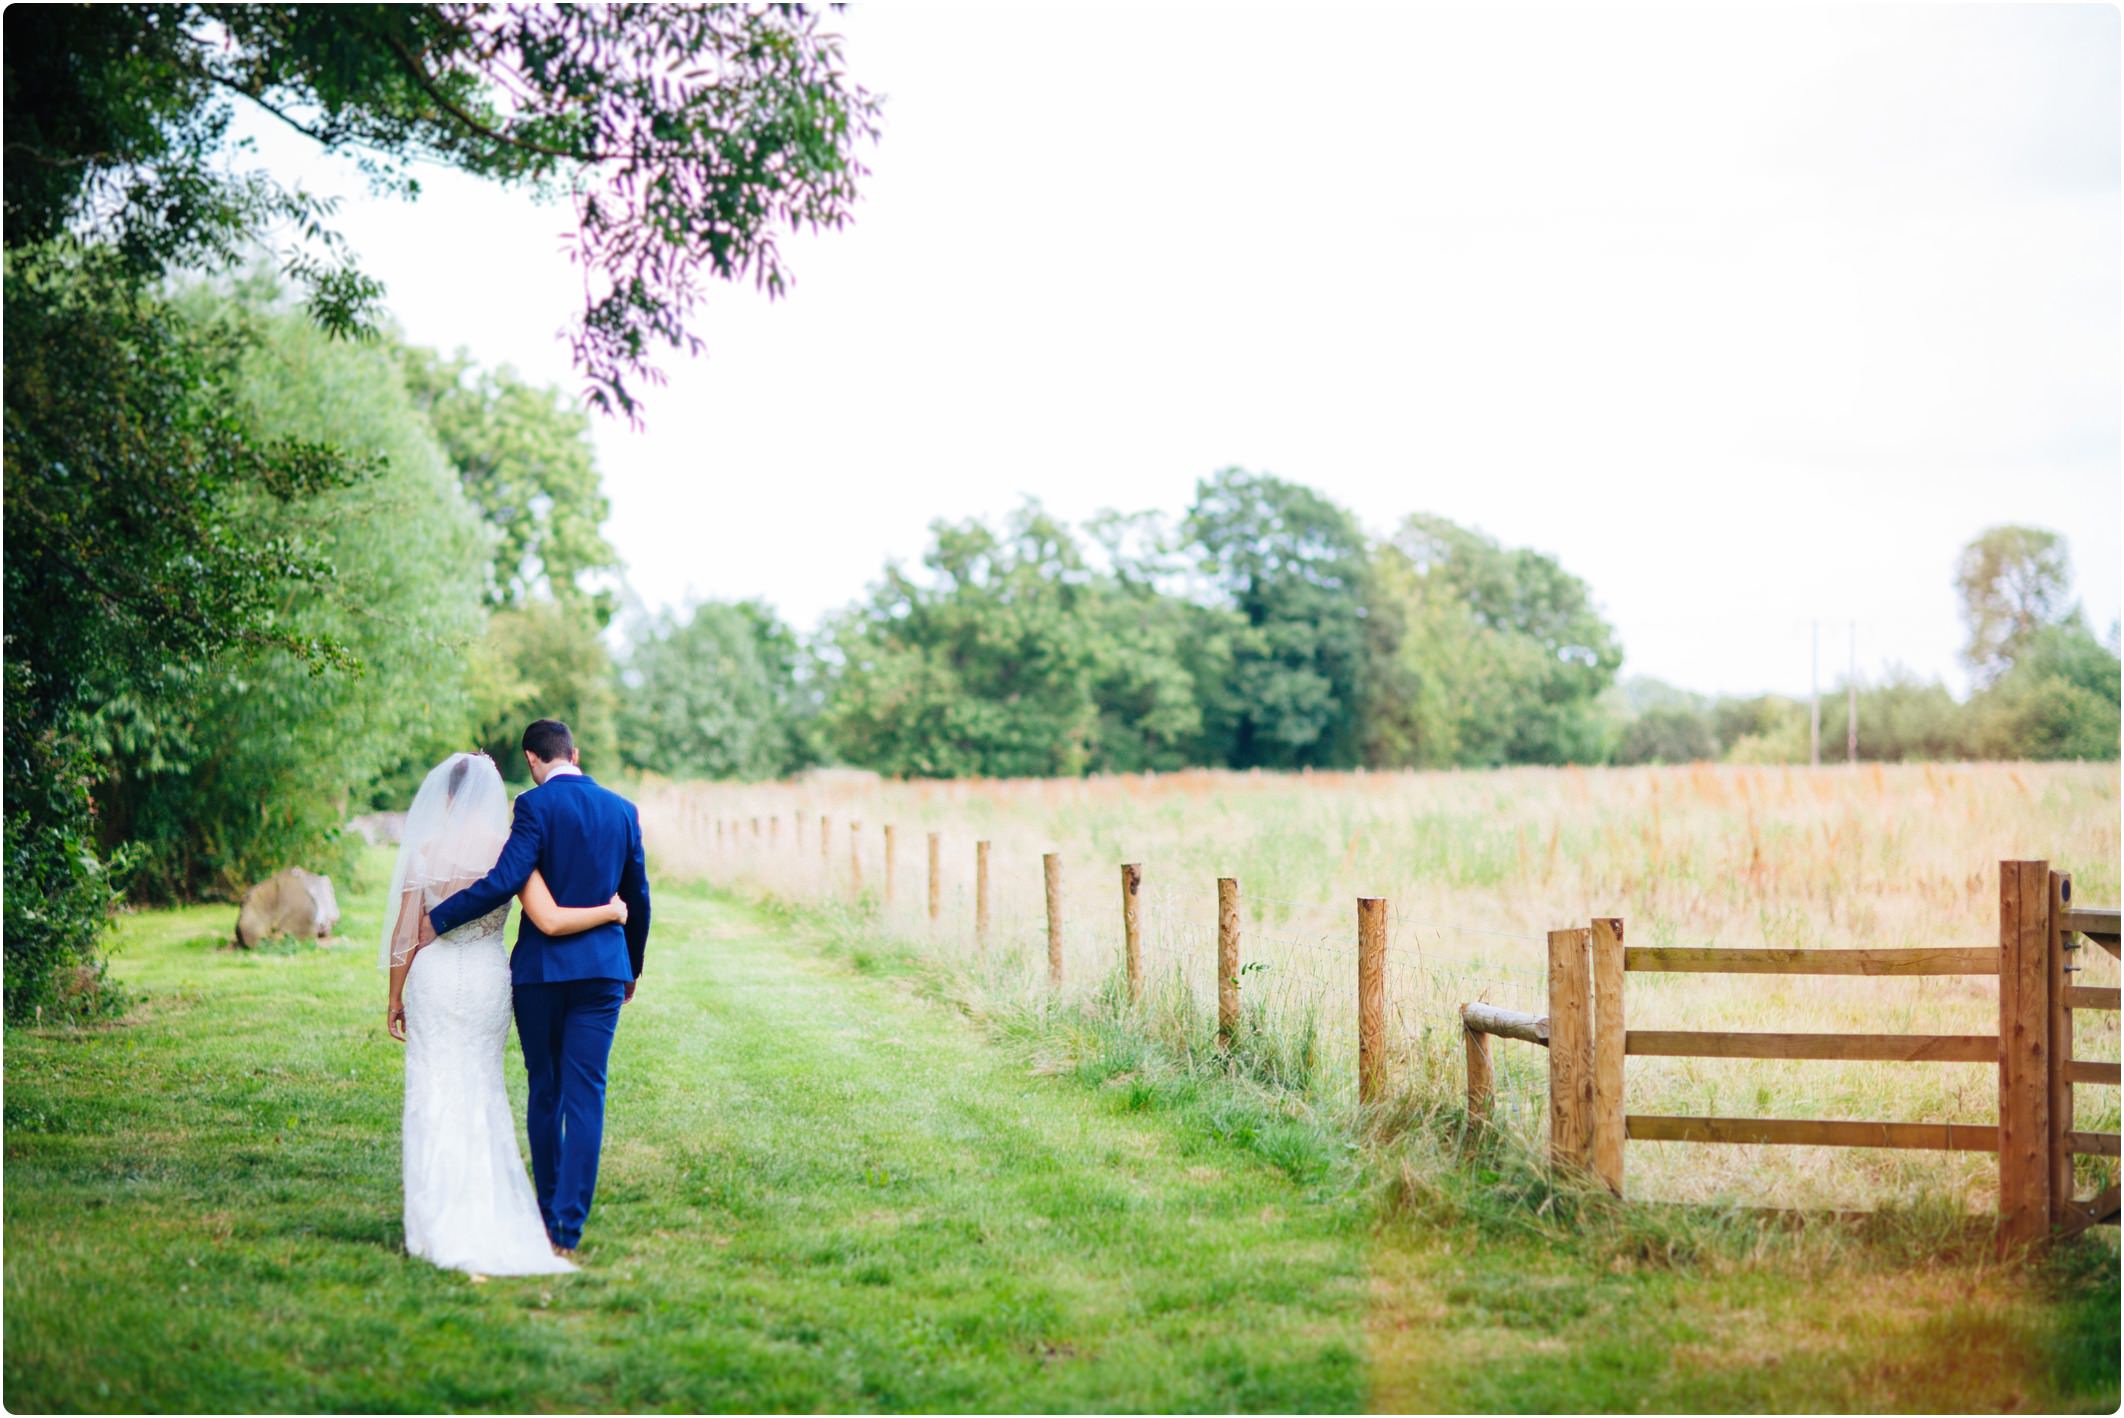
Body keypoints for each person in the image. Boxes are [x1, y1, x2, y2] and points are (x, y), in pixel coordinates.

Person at [380, 750, 622, 1275]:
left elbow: (405, 936)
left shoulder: (424, 850)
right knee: (482, 1088)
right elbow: (547, 916)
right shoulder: (510, 851)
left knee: (434, 1085)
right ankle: (488, 1205)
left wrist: (395, 998)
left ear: (445, 795)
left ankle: (433, 1217)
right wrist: (613, 911)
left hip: (435, 980)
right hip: (490, 981)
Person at [418, 719, 651, 1258]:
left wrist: (440, 918)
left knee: (545, 1088)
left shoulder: (533, 807)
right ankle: (569, 1226)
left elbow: (504, 880)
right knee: (587, 1090)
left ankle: (546, 1212)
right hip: (602, 973)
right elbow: (637, 895)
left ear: (531, 759)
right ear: (576, 752)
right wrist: (630, 968)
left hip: (541, 975)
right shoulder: (623, 809)